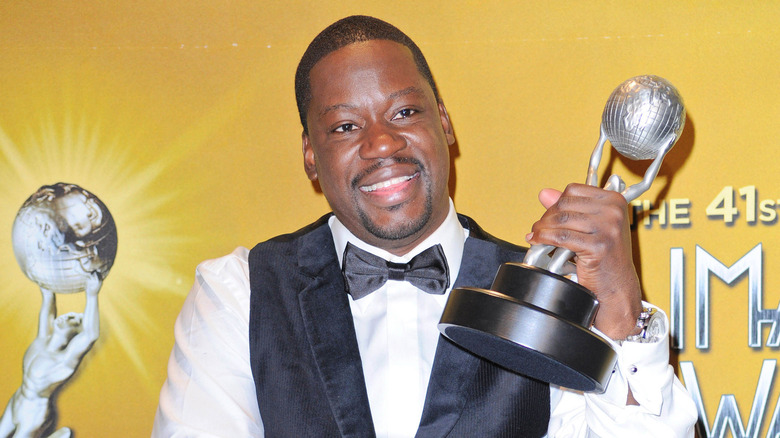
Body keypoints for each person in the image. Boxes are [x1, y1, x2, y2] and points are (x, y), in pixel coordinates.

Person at [153, 15, 697, 437]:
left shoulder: (554, 297)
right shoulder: (239, 292)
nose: (381, 143)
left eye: (404, 113)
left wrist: (619, 311)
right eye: (345, 126)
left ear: (445, 123)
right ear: (310, 157)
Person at [0, 274, 102, 438]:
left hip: (34, 415)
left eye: (73, 319)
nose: (66, 316)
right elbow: (47, 298)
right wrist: (43, 275)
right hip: (16, 402)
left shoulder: (63, 361)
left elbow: (90, 335)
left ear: (74, 334)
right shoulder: (42, 340)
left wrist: (92, 294)